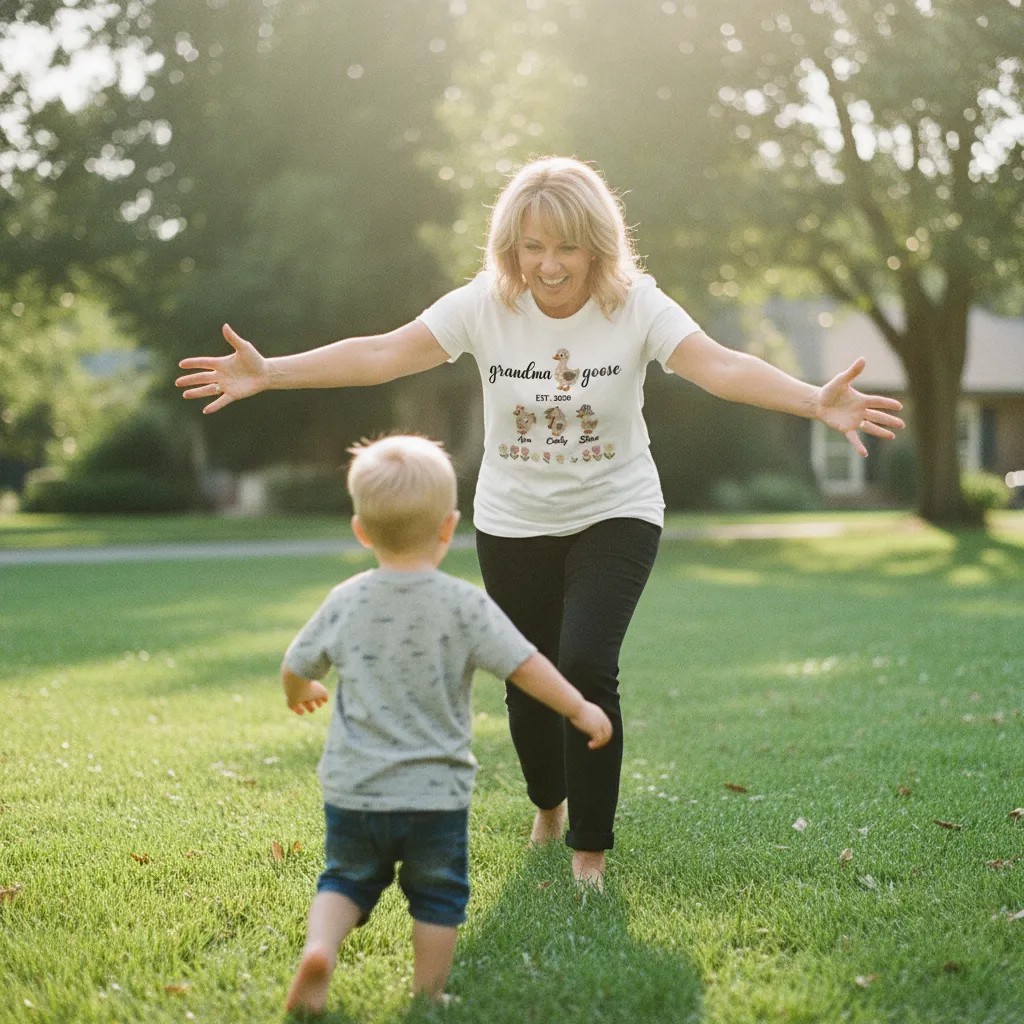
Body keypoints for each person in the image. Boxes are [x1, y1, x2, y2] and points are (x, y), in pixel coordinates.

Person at [177, 155, 905, 890]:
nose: (550, 266)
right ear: (512, 248)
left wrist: (814, 399)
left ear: (597, 245)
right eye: (533, 247)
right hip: (513, 516)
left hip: (615, 509)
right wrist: (272, 372)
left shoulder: (636, 304)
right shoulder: (486, 304)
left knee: (587, 664)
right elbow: (386, 353)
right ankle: (548, 804)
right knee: (527, 680)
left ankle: (589, 850)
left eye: (566, 247)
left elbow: (718, 366)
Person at [279, 433, 611, 1014]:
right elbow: (528, 665)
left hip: (355, 787)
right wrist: (579, 708)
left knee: (345, 878)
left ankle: (321, 949)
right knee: (438, 895)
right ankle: (430, 992)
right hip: (435, 793)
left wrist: (301, 690)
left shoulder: (345, 600)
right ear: (448, 527)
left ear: (361, 530)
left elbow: (296, 663)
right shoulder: (463, 605)